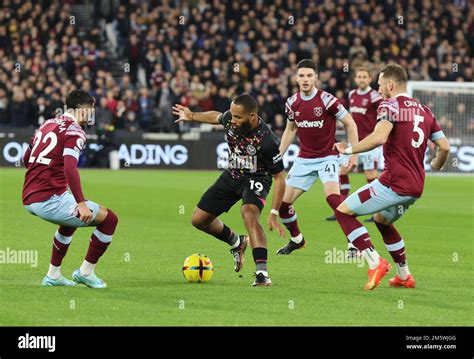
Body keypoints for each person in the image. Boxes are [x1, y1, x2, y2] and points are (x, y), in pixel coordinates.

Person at [333, 64, 450, 290]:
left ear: (390, 84)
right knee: (382, 221)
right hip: (416, 187)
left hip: (393, 183)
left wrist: (347, 150)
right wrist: (437, 163)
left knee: (343, 212)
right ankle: (404, 276)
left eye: (379, 85)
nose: (378, 90)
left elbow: (379, 137)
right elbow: (444, 147)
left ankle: (375, 262)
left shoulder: (390, 105)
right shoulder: (426, 110)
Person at [172, 94, 286, 286]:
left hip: (256, 178)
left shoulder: (267, 141)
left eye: (237, 117)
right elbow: (216, 117)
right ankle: (237, 242)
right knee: (198, 220)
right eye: (231, 116)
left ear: (251, 116)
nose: (232, 120)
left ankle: (262, 274)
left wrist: (274, 213)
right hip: (232, 175)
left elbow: (280, 178)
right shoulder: (231, 119)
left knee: (249, 214)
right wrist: (191, 116)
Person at [22, 90, 119, 289]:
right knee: (109, 220)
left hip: (29, 196)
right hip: (48, 199)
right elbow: (69, 167)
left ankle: (54, 275)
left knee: (69, 223)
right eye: (90, 111)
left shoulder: (47, 123)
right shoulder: (75, 131)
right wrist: (81, 204)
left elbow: (26, 158)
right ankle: (86, 272)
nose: (91, 115)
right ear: (81, 110)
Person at [276, 59, 359, 254]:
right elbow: (290, 130)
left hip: (328, 158)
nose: (305, 80)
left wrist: (352, 155)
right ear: (296, 78)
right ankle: (297, 239)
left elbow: (350, 124)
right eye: (302, 76)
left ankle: (354, 242)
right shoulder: (291, 103)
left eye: (309, 76)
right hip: (304, 160)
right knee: (282, 206)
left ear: (316, 78)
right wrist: (278, 155)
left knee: (333, 199)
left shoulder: (327, 100)